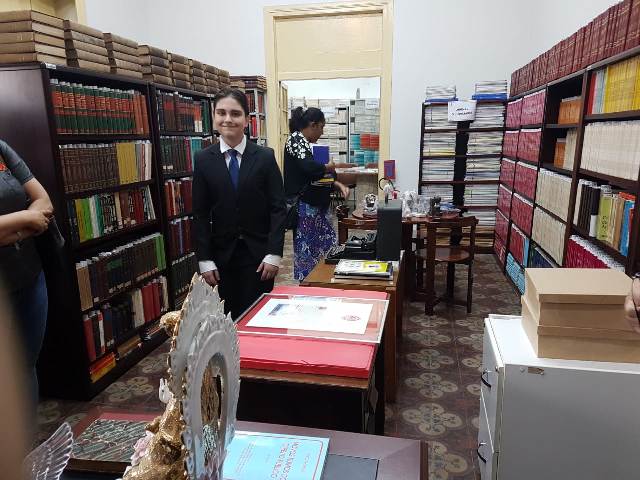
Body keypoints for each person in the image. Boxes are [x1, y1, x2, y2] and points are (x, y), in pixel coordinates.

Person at [193, 89, 286, 320]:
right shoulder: (203, 159)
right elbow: (200, 213)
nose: (228, 119)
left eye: (235, 113)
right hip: (220, 258)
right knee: (225, 320)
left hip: (259, 257)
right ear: (213, 117)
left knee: (258, 317)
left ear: (246, 119)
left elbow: (278, 208)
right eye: (221, 113)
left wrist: (274, 253)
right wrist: (204, 259)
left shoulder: (264, 157)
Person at [0, 139, 52, 412]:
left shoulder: (1, 149)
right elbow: (35, 215)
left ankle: (28, 435)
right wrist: (26, 220)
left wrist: (9, 233)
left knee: (26, 367)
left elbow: (44, 201)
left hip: (29, 276)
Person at [284, 107, 349, 281]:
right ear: (313, 125)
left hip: (317, 205)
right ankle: (309, 284)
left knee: (326, 244)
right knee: (308, 249)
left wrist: (335, 182)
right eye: (321, 127)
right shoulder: (296, 139)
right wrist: (328, 167)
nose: (322, 132)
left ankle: (324, 280)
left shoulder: (308, 144)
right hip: (306, 206)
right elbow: (309, 168)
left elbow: (317, 176)